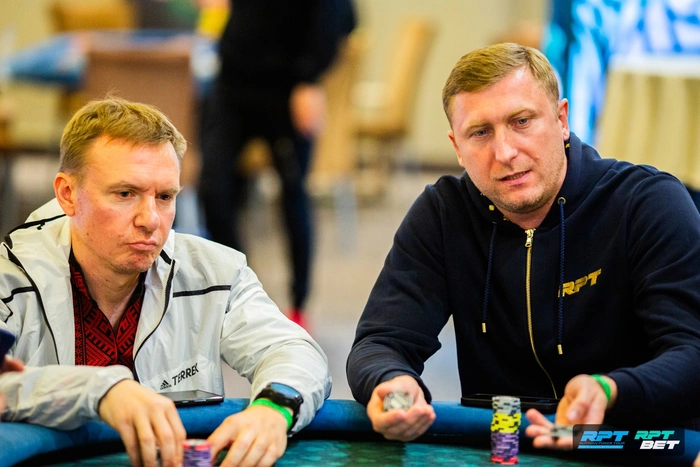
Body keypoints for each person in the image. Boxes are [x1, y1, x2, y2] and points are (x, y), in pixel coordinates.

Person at [346, 42, 700, 447]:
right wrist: (393, 384)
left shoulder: (647, 203)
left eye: (522, 121)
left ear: (561, 120)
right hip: (507, 446)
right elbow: (380, 343)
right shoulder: (444, 214)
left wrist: (609, 389)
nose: (505, 152)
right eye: (480, 133)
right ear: (457, 148)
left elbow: (692, 351)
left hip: (629, 444)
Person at [0, 97, 331, 467]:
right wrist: (101, 390)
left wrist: (275, 408)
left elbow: (293, 349)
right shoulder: (8, 277)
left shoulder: (214, 271)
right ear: (67, 194)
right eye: (125, 194)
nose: (150, 220)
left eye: (165, 196)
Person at [198, 0, 356, 328]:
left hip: (288, 90)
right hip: (233, 84)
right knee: (212, 189)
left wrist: (309, 80)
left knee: (293, 195)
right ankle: (238, 291)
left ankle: (298, 305)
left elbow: (342, 18)